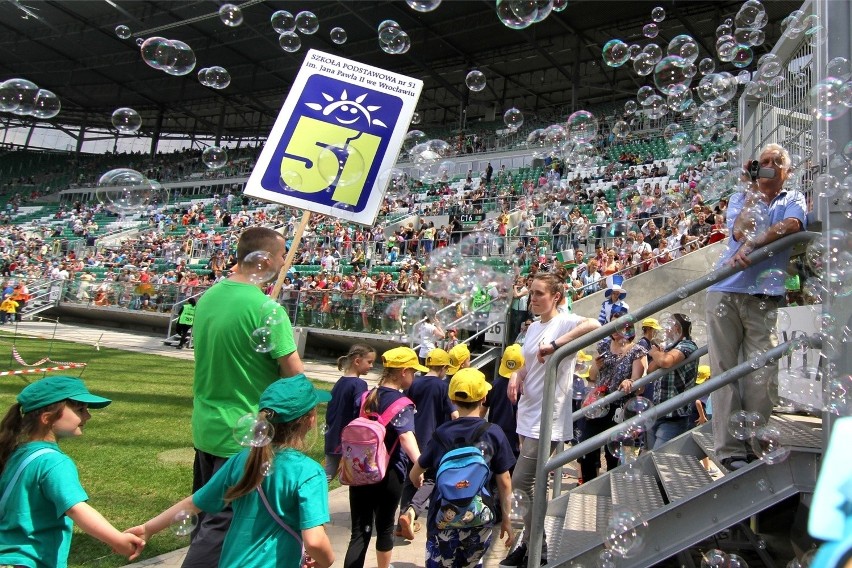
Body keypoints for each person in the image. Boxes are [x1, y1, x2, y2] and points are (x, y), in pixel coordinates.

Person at [185, 227, 304, 567]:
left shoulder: (209, 297)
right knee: (221, 531)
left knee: (206, 517)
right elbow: (294, 377)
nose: (285, 263)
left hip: (207, 428)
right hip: (244, 436)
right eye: (283, 256)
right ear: (265, 259)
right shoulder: (266, 309)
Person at [128, 375, 334, 568]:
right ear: (310, 419)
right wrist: (326, 561)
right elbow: (315, 541)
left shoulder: (243, 459)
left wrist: (148, 529)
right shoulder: (310, 473)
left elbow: (193, 503)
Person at [706, 143, 806, 471]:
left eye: (777, 162)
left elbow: (792, 226)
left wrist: (756, 242)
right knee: (724, 372)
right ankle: (729, 450)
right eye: (763, 162)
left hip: (764, 297)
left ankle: (754, 441)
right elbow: (737, 230)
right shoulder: (742, 198)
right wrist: (751, 191)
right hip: (726, 291)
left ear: (787, 171)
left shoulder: (793, 199)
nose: (769, 166)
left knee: (763, 373)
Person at [504, 267, 601, 566]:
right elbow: (526, 361)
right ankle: (531, 544)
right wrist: (515, 376)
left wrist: (558, 345)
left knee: (521, 482)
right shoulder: (533, 327)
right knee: (532, 485)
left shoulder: (563, 323)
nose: (532, 298)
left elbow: (595, 324)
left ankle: (538, 545)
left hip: (548, 417)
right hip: (527, 412)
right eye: (531, 292)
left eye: (539, 293)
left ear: (556, 297)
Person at [0, 376, 145, 566]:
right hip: (31, 562)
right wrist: (117, 539)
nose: (87, 416)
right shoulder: (54, 462)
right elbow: (76, 508)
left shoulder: (15, 452)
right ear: (47, 417)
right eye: (80, 410)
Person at [411, 368, 515, 568]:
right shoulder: (493, 433)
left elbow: (416, 472)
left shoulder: (442, 433)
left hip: (442, 517)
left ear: (452, 398)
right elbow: (505, 481)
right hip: (479, 516)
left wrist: (418, 481)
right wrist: (507, 519)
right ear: (485, 396)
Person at [344, 347, 425, 568]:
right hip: (389, 473)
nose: (414, 376)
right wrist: (421, 467)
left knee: (359, 531)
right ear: (403, 371)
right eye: (413, 372)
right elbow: (407, 438)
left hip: (360, 469)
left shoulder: (366, 396)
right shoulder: (403, 404)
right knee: (385, 527)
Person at [579, 306, 647, 483]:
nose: (615, 331)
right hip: (598, 404)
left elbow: (639, 383)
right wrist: (597, 366)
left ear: (628, 328)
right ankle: (588, 484)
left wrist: (630, 381)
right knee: (587, 448)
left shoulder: (637, 350)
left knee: (614, 454)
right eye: (612, 325)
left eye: (620, 326)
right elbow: (593, 377)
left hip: (619, 408)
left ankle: (611, 488)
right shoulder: (603, 345)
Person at [396, 348, 458, 541]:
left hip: (411, 437)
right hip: (433, 440)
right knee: (430, 479)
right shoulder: (442, 387)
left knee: (410, 478)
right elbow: (454, 415)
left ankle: (402, 521)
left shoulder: (414, 382)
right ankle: (413, 511)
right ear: (445, 368)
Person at [646, 313, 699, 449]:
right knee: (651, 459)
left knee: (660, 460)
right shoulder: (669, 348)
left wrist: (654, 354)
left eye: (668, 325)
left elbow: (666, 361)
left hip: (674, 417)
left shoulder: (688, 345)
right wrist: (658, 353)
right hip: (657, 413)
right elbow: (650, 371)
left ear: (676, 328)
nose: (665, 329)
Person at [324, 344, 376, 482]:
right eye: (369, 362)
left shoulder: (340, 382)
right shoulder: (359, 384)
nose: (371, 366)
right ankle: (310, 495)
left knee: (330, 470)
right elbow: (361, 409)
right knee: (330, 473)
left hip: (332, 434)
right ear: (357, 361)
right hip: (345, 438)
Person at [485, 343, 524, 460]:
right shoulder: (524, 388)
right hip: (517, 439)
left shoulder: (493, 385)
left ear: (503, 361)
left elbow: (482, 410)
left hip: (495, 436)